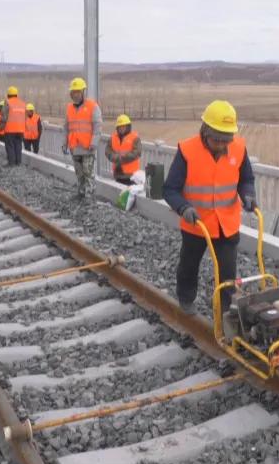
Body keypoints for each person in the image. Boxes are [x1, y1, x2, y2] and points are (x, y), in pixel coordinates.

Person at [163, 100, 256, 316]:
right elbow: (170, 189)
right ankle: (186, 299)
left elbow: (246, 179)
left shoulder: (239, 149)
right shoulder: (187, 151)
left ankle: (226, 313)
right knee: (189, 264)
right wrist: (183, 208)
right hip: (197, 223)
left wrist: (248, 195)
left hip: (226, 224)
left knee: (227, 273)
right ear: (206, 132)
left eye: (227, 140)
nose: (223, 146)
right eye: (218, 140)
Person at [62, 77, 101, 201]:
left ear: (83, 92)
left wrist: (94, 143)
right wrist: (65, 144)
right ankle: (81, 193)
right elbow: (66, 128)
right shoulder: (69, 108)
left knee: (88, 173)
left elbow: (97, 126)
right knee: (79, 173)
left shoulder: (92, 106)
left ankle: (89, 197)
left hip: (87, 147)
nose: (76, 95)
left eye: (78, 92)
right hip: (75, 147)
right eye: (73, 92)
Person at [106, 114, 142, 185]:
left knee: (129, 195)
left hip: (131, 176)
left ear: (128, 126)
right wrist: (113, 157)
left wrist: (121, 158)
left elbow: (137, 153)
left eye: (123, 126)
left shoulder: (135, 138)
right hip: (118, 173)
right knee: (119, 195)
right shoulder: (113, 138)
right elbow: (107, 151)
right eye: (119, 127)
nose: (121, 128)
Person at [0, 86, 26, 166]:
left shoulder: (7, 102)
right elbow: (25, 117)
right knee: (18, 146)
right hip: (20, 130)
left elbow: (4, 116)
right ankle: (18, 162)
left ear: (8, 95)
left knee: (10, 146)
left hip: (10, 130)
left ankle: (11, 163)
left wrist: (1, 127)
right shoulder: (23, 103)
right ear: (16, 94)